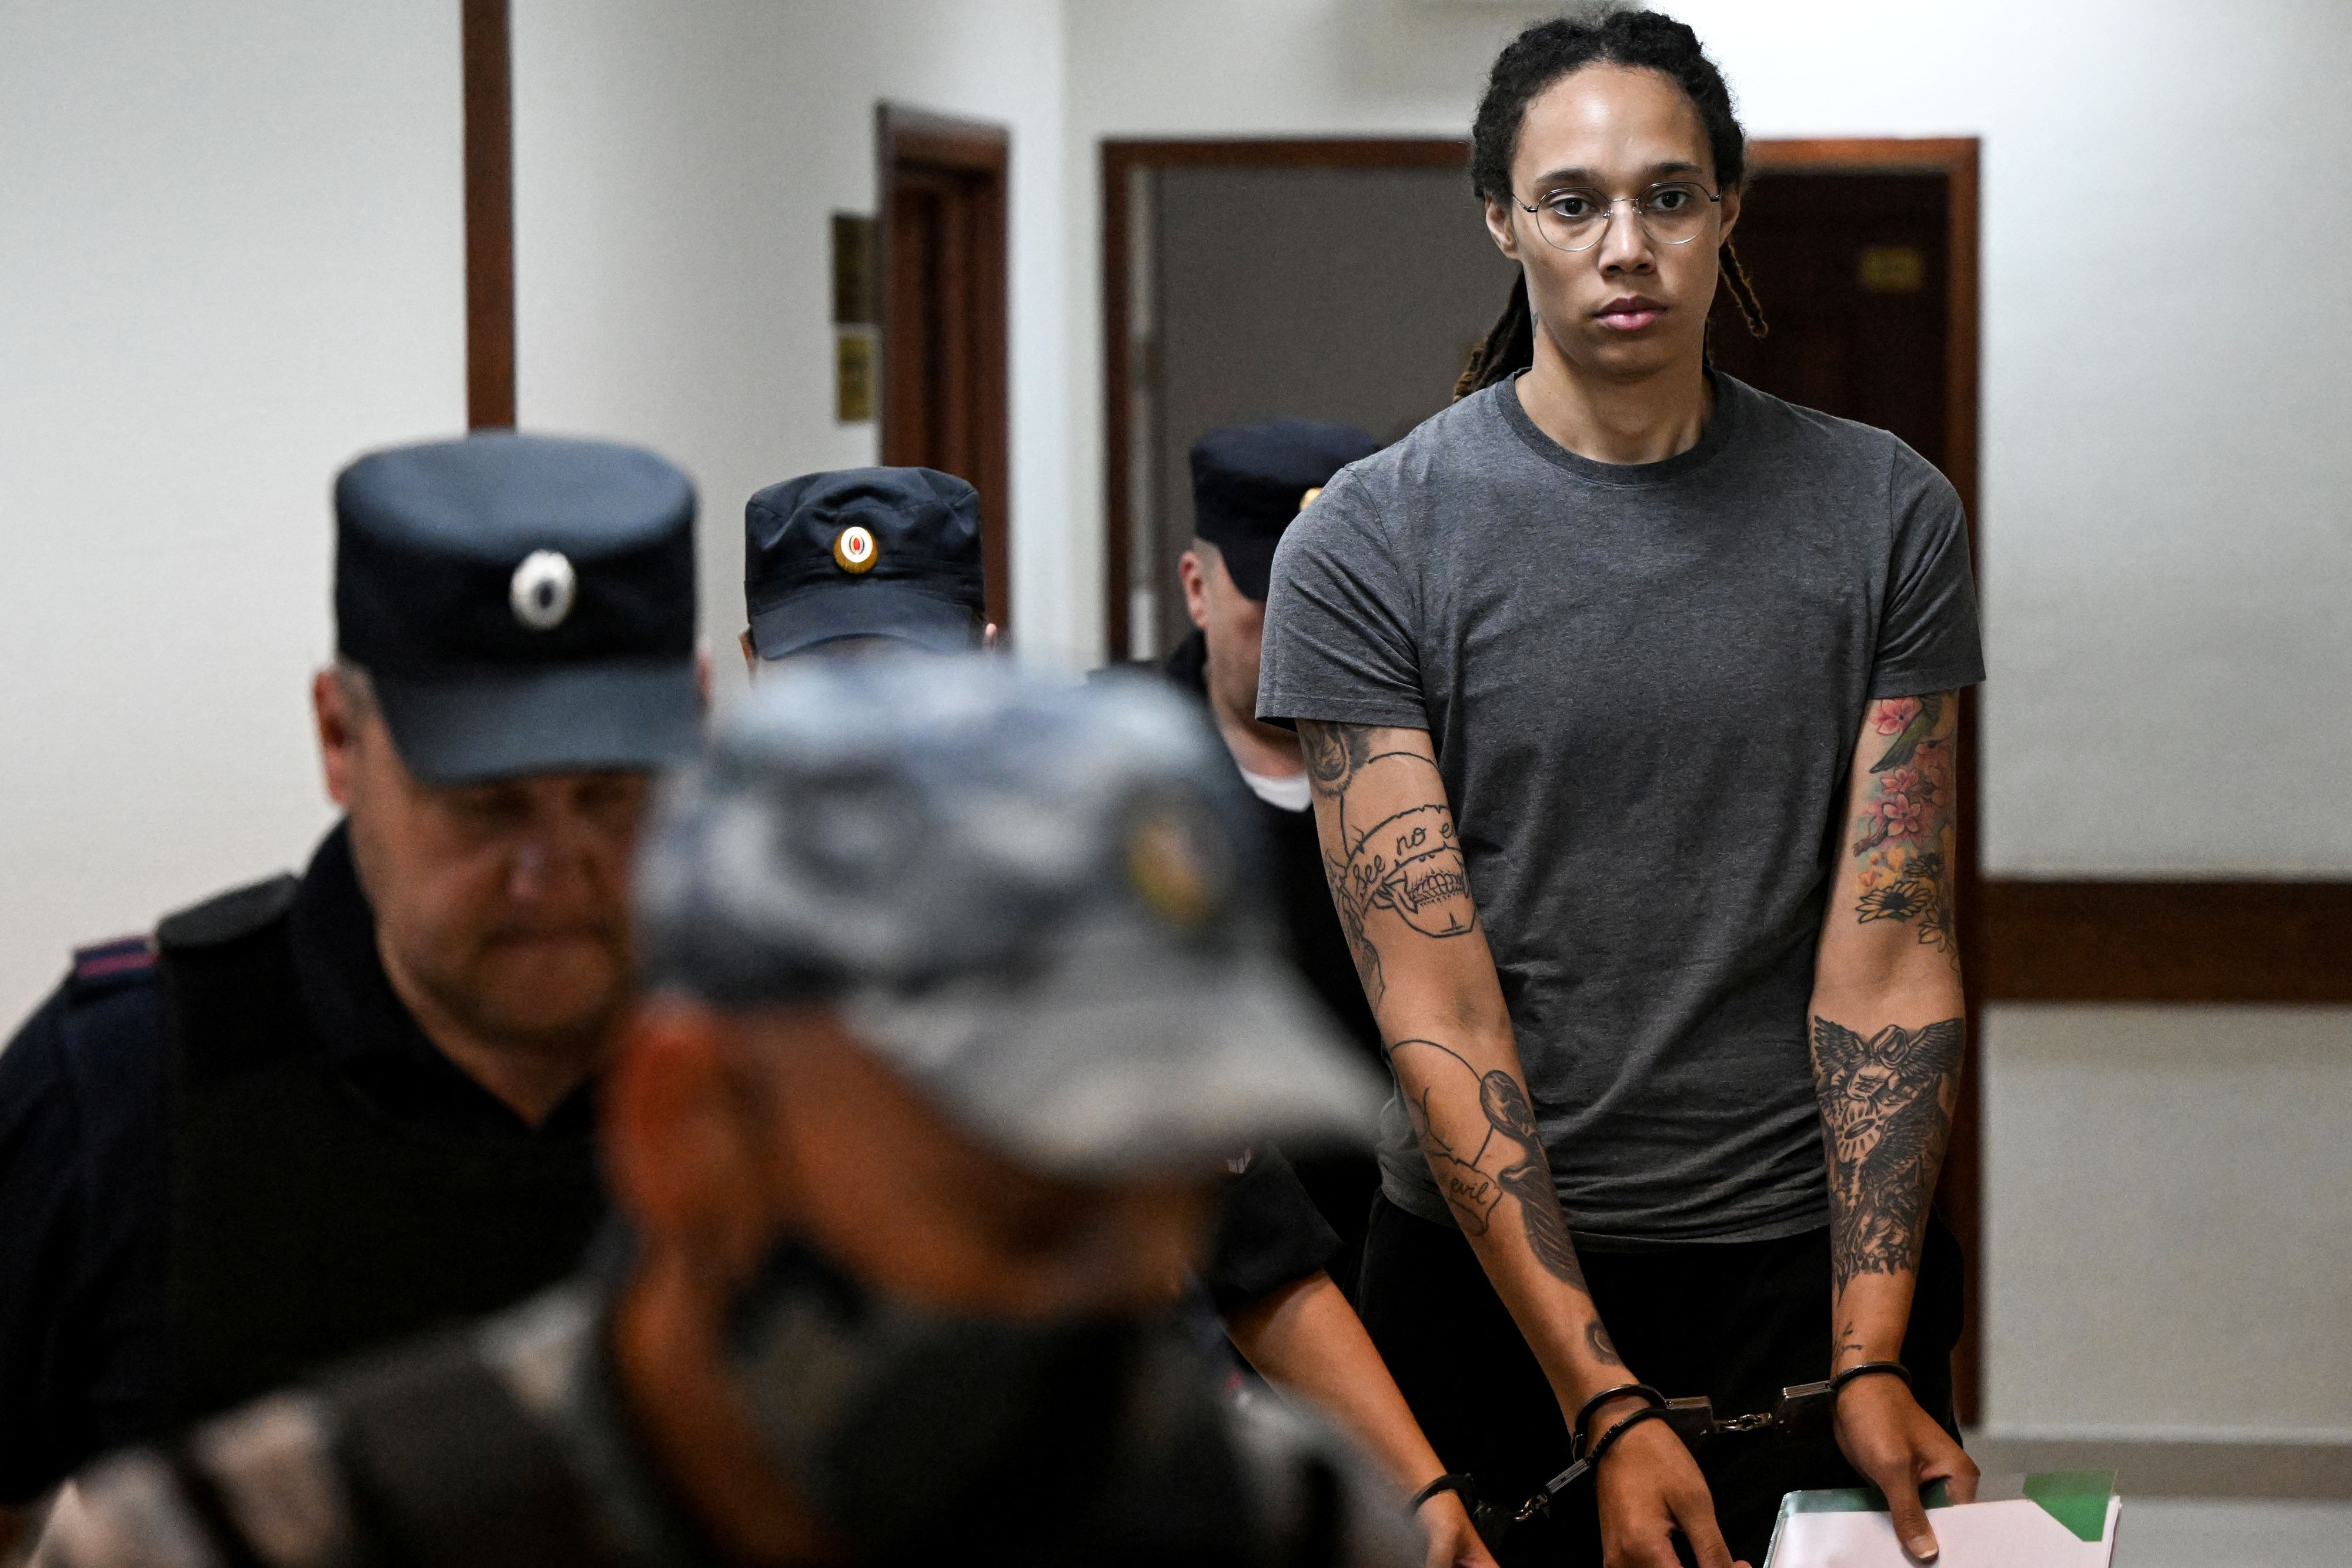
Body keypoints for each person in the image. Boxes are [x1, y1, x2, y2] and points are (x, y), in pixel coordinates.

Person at [34, 660, 1427, 1568]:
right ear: (685, 1125)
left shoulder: (1285, 1527)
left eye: (1171, 1192)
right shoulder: (264, 1534)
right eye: (1020, 1206)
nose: (1121, 1287)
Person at [1257, 12, 1983, 1568]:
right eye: (1574, 201)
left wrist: (1867, 1345)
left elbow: (1895, 948)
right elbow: (1437, 1005)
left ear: (1729, 210)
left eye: (1669, 195)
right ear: (1504, 221)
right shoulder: (1369, 545)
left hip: (1805, 1269)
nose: (1625, 243)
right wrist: (1602, 1397)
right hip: (1487, 1288)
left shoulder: (1887, 514)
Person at [740, 466, 1496, 1568]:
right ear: (755, 673)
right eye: (827, 677)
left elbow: (1259, 1258)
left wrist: (1428, 1503)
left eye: (909, 674)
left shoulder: (1097, 932)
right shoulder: (692, 961)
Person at [0, 433, 702, 1525]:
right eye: (486, 803)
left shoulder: (809, 1063)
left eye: (610, 796)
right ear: (340, 738)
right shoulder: (123, 1087)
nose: (549, 873)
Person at [1172, 419, 1387, 1288]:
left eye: (1334, 594)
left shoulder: (1446, 769)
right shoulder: (1125, 779)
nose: (1305, 625)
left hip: (1408, 1258)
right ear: (1198, 587)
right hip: (1213, 1274)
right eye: (1273, 590)